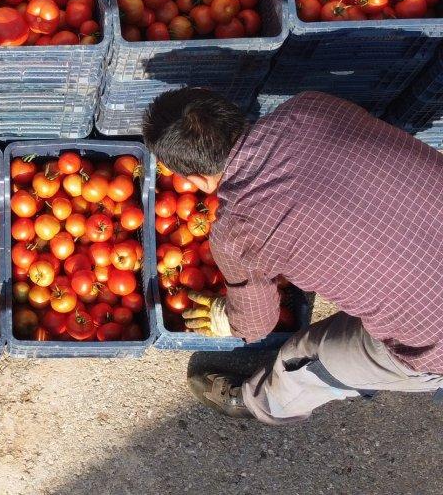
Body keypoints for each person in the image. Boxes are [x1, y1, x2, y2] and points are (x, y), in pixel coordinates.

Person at [142, 87, 443, 425]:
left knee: (305, 360)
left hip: (435, 343)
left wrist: (227, 317)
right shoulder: (311, 105)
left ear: (195, 179)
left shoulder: (238, 230)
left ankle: (260, 404)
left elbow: (258, 324)